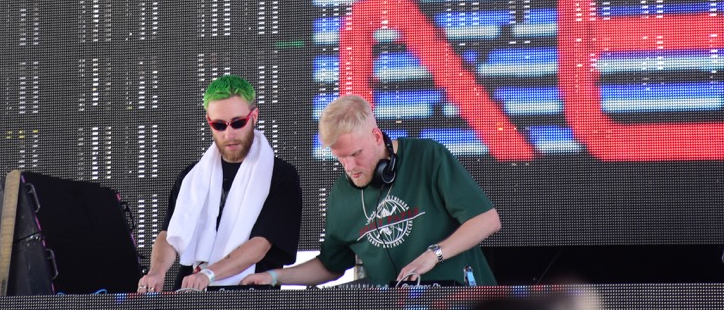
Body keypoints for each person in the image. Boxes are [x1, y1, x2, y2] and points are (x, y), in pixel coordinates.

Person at [241, 94, 500, 288]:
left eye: (356, 154)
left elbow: (487, 220)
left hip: (464, 298)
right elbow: (331, 265)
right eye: (341, 158)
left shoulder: (427, 157)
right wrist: (274, 276)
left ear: (377, 137)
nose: (350, 166)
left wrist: (434, 255)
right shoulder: (341, 194)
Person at [137, 75, 302, 291]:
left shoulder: (280, 175)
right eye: (219, 125)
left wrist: (209, 274)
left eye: (238, 123)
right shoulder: (192, 177)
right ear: (209, 122)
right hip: (192, 293)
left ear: (254, 116)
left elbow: (261, 244)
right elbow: (169, 235)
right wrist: (156, 272)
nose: (229, 133)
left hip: (249, 297)